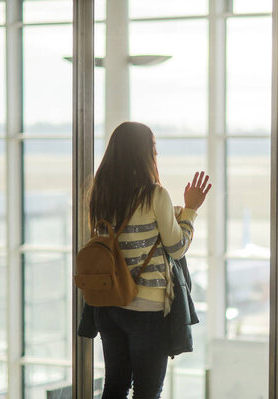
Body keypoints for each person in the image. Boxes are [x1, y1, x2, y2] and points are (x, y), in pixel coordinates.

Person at [87, 121, 211, 399]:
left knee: (114, 387)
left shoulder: (99, 195)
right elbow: (177, 247)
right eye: (154, 148)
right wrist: (190, 210)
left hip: (107, 305)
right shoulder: (154, 194)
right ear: (145, 152)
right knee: (147, 391)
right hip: (146, 309)